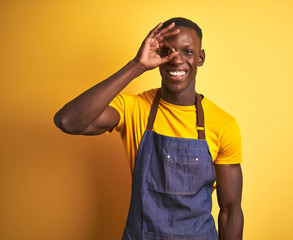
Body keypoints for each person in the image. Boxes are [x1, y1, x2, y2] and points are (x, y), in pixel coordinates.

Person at [54, 17, 243, 240]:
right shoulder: (134, 109)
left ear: (200, 58)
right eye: (168, 51)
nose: (176, 60)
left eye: (187, 52)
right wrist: (137, 65)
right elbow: (68, 121)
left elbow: (230, 211)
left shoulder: (223, 124)